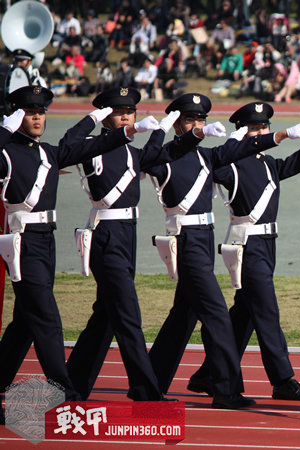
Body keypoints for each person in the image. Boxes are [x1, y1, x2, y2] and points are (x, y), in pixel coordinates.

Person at [145, 94, 300, 409]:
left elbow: (246, 148)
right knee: (218, 316)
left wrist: (287, 137)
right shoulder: (164, 158)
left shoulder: (208, 157)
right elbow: (150, 157)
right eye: (190, 120)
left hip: (205, 241)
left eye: (201, 120)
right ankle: (226, 389)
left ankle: (150, 382)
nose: (198, 126)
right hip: (186, 240)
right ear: (177, 123)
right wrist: (161, 127)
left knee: (183, 316)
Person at [186, 102, 300, 401]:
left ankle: (208, 373)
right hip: (246, 246)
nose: (262, 131)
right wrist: (233, 141)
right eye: (255, 127)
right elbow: (207, 166)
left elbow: (294, 163)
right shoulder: (229, 164)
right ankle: (282, 380)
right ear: (242, 131)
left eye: (264, 127)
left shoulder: (266, 162)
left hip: (267, 245)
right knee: (267, 312)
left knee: (245, 314)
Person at [0, 86, 147, 403]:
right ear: (14, 115)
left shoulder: (47, 153)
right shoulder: (6, 152)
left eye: (41, 112)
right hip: (22, 241)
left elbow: (89, 145)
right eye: (29, 112)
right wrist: (4, 130)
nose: (37, 117)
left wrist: (112, 124)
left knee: (25, 323)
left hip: (45, 240)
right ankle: (65, 392)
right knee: (47, 319)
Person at [65, 87, 184, 401]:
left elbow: (160, 155)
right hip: (106, 233)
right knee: (128, 313)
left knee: (106, 314)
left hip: (128, 234)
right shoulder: (92, 147)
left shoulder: (132, 151)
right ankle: (145, 388)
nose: (127, 117)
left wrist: (168, 130)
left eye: (130, 112)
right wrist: (92, 119)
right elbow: (67, 146)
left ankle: (72, 384)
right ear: (106, 115)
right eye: (118, 112)